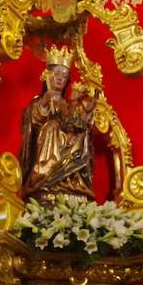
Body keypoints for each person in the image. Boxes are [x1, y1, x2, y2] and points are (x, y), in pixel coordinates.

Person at [19, 45, 97, 201]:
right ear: (48, 76)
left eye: (65, 75)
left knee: (83, 135)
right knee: (51, 126)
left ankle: (72, 181)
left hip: (71, 142)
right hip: (48, 140)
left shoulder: (69, 103)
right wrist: (45, 103)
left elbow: (77, 121)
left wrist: (85, 115)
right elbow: (34, 121)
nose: (61, 78)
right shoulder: (39, 101)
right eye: (57, 74)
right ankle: (45, 176)